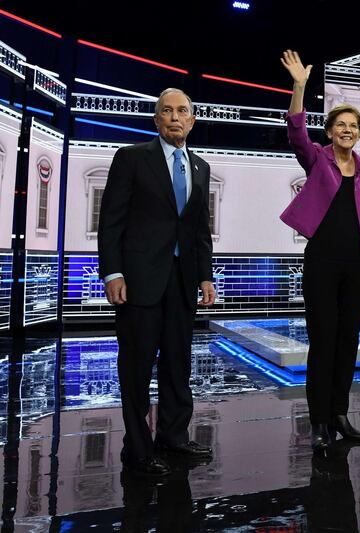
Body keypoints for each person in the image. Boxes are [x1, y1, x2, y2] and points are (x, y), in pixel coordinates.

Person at [98, 88, 215, 477]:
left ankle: (174, 438)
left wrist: (204, 275)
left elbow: (200, 229)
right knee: (136, 366)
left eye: (183, 110)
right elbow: (111, 219)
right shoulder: (132, 158)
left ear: (192, 120)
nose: (175, 117)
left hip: (181, 283)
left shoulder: (200, 167)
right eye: (167, 111)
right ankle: (138, 448)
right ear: (156, 119)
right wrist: (112, 272)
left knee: (178, 364)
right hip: (139, 280)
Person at [279, 50, 360, 451]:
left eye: (353, 126)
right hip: (322, 262)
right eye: (340, 125)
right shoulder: (317, 159)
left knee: (348, 341)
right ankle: (320, 420)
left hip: (357, 266)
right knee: (323, 341)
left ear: (359, 133)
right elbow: (295, 132)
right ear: (330, 130)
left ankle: (340, 413)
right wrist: (300, 86)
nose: (346, 130)